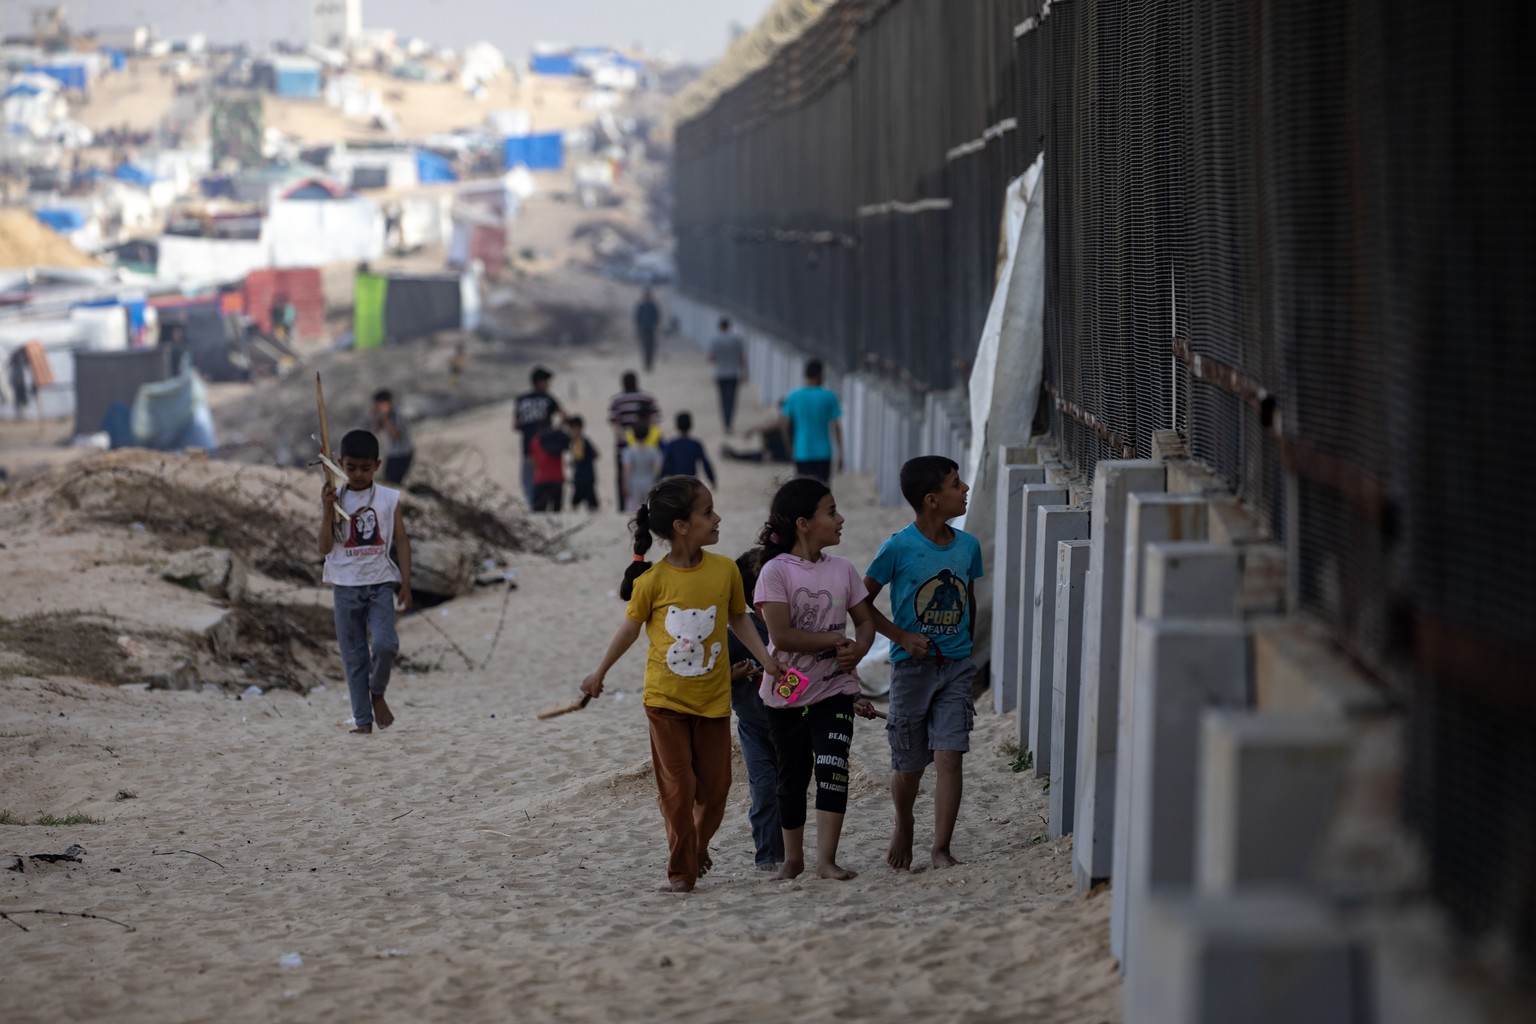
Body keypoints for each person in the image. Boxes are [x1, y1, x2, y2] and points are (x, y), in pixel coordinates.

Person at [579, 476, 782, 893]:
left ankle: (695, 846)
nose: (717, 518)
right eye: (707, 512)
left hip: (713, 701)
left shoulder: (724, 569)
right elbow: (629, 630)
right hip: (665, 701)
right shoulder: (651, 581)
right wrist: (599, 673)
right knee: (678, 790)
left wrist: (767, 659)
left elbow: (738, 619)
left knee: (717, 789)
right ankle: (681, 872)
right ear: (681, 526)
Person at [862, 455, 984, 871]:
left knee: (951, 755)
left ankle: (941, 848)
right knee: (909, 766)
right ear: (932, 500)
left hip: (954, 667)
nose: (965, 488)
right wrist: (899, 636)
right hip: (910, 671)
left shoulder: (969, 546)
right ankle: (904, 822)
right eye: (956, 483)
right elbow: (859, 601)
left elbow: (969, 601)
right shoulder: (897, 547)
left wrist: (966, 649)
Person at [755, 477, 878, 880]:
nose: (840, 519)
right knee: (792, 776)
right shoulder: (775, 572)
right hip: (786, 693)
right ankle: (794, 860)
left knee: (832, 764)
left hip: (835, 690)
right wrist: (830, 638)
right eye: (831, 512)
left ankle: (827, 860)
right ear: (803, 523)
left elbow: (865, 622)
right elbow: (781, 636)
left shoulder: (843, 569)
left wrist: (857, 650)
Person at [318, 429, 413, 735]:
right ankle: (362, 720)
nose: (358, 474)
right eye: (351, 467)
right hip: (344, 585)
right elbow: (323, 547)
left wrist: (406, 583)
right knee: (354, 655)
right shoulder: (334, 497)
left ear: (378, 465)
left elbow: (401, 540)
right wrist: (325, 510)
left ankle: (377, 692)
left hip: (380, 582)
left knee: (386, 645)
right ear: (339, 464)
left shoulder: (388, 498)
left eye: (365, 468)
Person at [725, 548, 783, 871]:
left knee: (788, 790)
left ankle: (789, 854)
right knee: (764, 789)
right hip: (754, 726)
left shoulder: (789, 624)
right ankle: (768, 857)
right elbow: (714, 675)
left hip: (790, 722)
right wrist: (736, 672)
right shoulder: (738, 631)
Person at [780, 359, 843, 482]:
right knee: (822, 493)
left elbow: (785, 425)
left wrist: (789, 448)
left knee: (805, 494)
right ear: (820, 374)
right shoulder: (829, 396)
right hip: (823, 453)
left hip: (802, 451)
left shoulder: (794, 396)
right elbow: (837, 427)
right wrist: (841, 454)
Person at [607, 371, 658, 510]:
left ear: (623, 384)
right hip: (647, 444)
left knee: (623, 475)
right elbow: (655, 421)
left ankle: (623, 506)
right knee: (649, 474)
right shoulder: (648, 399)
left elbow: (614, 424)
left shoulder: (616, 401)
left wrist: (624, 436)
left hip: (624, 446)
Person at [514, 366, 563, 507]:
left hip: (528, 446)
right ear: (540, 382)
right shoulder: (548, 398)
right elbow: (564, 416)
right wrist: (555, 431)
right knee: (547, 478)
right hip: (546, 447)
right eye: (547, 381)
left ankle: (533, 507)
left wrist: (527, 427)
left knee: (528, 481)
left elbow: (516, 425)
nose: (549, 385)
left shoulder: (521, 399)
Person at [708, 317, 746, 434]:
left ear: (720, 327)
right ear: (729, 327)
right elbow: (741, 358)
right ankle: (730, 422)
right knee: (732, 400)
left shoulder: (715, 340)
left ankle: (725, 422)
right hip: (733, 373)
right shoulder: (736, 340)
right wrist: (744, 373)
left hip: (720, 374)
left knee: (723, 400)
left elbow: (711, 358)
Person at [370, 388, 415, 485]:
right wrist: (375, 418)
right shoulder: (384, 415)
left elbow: (395, 434)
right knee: (386, 480)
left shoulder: (399, 414)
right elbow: (375, 431)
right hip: (393, 453)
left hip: (403, 453)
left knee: (394, 481)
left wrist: (385, 418)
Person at [621, 421, 664, 514]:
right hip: (649, 481)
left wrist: (624, 485)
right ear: (648, 434)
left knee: (634, 510)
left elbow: (627, 469)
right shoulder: (653, 450)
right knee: (649, 508)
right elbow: (659, 467)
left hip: (634, 482)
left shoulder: (629, 451)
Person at [660, 411, 715, 485]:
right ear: (691, 425)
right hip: (691, 480)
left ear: (677, 426)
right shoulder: (696, 444)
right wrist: (711, 479)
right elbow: (705, 463)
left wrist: (659, 478)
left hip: (675, 481)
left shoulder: (671, 444)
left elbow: (666, 464)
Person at [531, 422, 569, 512]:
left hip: (541, 480)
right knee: (556, 511)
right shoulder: (557, 438)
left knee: (538, 512)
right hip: (557, 479)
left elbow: (533, 462)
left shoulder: (535, 440)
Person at [566, 415, 599, 511]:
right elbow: (596, 454)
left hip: (582, 477)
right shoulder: (586, 440)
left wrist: (571, 463)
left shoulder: (578, 442)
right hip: (589, 475)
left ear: (576, 428)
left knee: (576, 502)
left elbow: (578, 459)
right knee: (591, 501)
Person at [634, 288, 661, 372]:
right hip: (643, 329)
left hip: (652, 330)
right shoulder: (641, 307)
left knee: (651, 348)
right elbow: (637, 318)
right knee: (645, 348)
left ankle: (650, 364)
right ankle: (646, 364)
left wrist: (656, 326)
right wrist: (638, 327)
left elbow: (657, 317)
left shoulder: (653, 307)